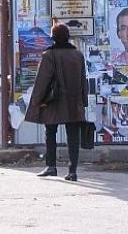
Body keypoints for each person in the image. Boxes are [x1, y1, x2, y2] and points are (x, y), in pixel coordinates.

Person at [25, 23, 88, 181]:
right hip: (74, 101)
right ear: (68, 36)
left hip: (53, 101)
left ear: (53, 37)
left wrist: (37, 100)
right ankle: (72, 171)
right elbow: (83, 80)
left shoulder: (49, 55)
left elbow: (43, 80)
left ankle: (51, 166)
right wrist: (84, 101)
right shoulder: (78, 55)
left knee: (50, 132)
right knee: (73, 136)